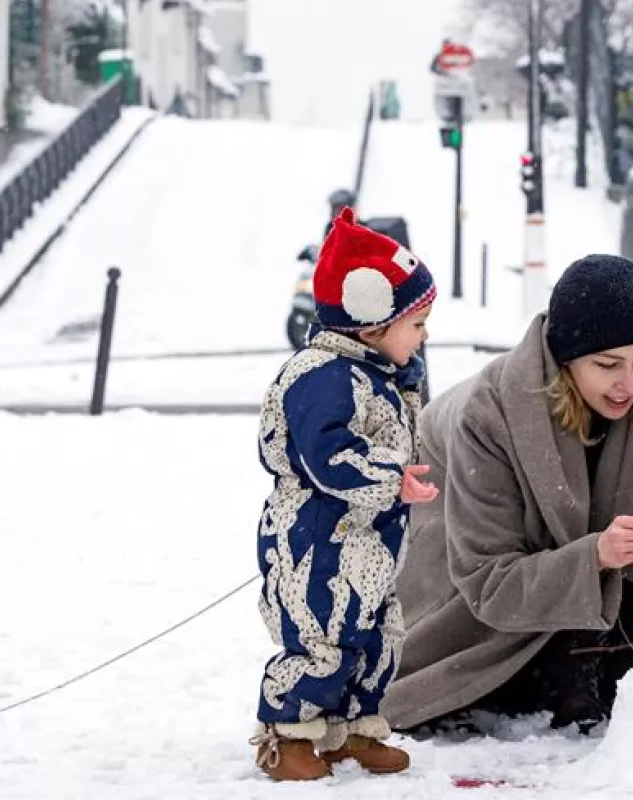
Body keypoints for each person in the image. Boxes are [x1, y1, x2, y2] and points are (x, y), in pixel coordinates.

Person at [383, 254, 633, 735]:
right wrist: (595, 555)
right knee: (520, 678)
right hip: (456, 578)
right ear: (566, 358)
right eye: (608, 364)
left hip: (555, 573)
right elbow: (488, 582)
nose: (629, 383)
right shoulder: (486, 417)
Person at [249, 207, 440, 781]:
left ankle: (354, 728)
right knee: (320, 634)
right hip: (314, 541)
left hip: (370, 542)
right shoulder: (322, 376)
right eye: (417, 324)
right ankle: (289, 733)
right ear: (371, 320)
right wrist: (391, 477)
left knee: (376, 633)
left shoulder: (379, 373)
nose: (424, 337)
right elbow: (326, 455)